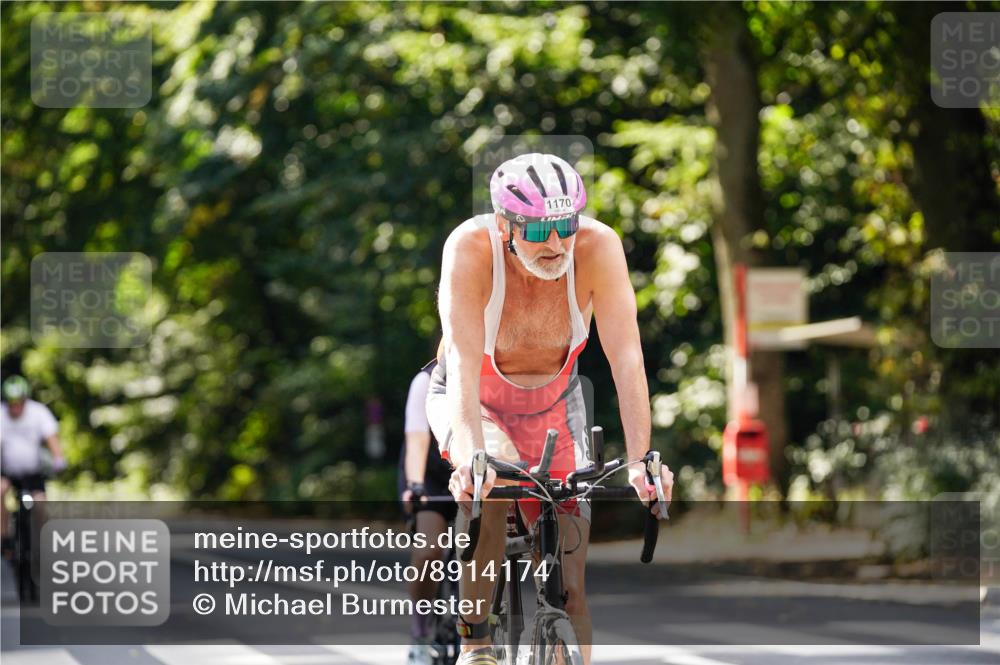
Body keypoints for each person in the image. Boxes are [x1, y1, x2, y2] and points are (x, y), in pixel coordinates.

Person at [426, 153, 674, 665]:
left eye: (565, 223)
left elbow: (626, 356)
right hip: (476, 397)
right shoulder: (470, 249)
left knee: (571, 581)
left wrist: (642, 461)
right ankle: (476, 645)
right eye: (539, 229)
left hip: (556, 401)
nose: (557, 242)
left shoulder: (597, 247)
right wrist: (472, 460)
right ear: (504, 226)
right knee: (489, 488)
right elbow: (465, 363)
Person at [399, 360, 457, 665]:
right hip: (429, 477)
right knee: (429, 551)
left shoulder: (491, 371)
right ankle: (420, 634)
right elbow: (418, 439)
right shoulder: (425, 379)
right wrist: (415, 484)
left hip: (473, 474)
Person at [0, 375, 66, 554]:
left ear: (25, 400)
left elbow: (51, 438)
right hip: (8, 472)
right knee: (0, 490)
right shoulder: (1, 415)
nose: (15, 408)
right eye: (11, 403)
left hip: (34, 473)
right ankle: (4, 536)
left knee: (40, 504)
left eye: (18, 403)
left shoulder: (38, 412)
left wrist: (58, 459)